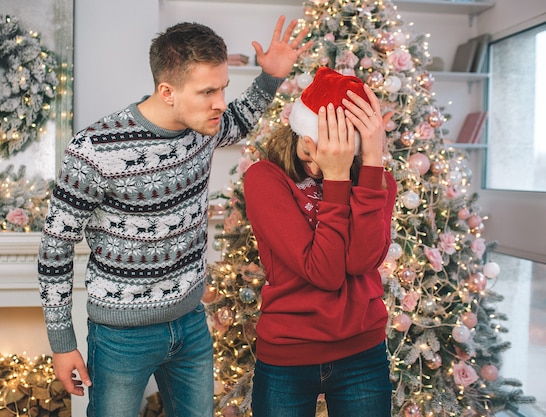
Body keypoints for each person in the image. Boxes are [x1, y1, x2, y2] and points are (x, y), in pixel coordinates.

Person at [37, 16, 310, 417]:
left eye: (223, 88)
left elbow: (241, 118)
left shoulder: (206, 127)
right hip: (120, 337)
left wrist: (270, 76)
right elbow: (55, 249)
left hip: (191, 324)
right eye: (207, 92)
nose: (220, 102)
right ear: (167, 91)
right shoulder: (94, 150)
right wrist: (62, 343)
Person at [244, 66, 397, 417]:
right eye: (308, 151)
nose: (316, 167)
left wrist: (371, 162)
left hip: (363, 352)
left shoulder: (377, 181)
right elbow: (324, 272)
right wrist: (339, 177)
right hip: (288, 354)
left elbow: (361, 261)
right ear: (296, 132)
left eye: (331, 156)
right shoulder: (265, 178)